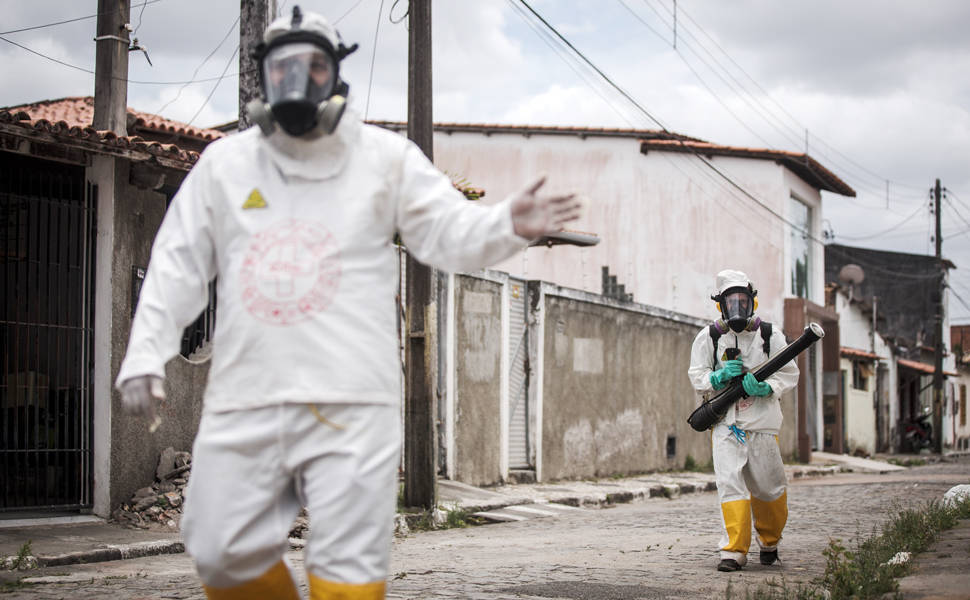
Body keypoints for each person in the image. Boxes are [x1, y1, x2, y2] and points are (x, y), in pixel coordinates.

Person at [115, 6, 580, 599]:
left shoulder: (383, 159)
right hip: (247, 396)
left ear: (336, 78)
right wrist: (144, 356)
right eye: (281, 69)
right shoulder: (224, 166)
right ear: (262, 78)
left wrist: (505, 225)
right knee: (217, 542)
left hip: (352, 403)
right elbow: (175, 265)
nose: (296, 82)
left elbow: (446, 232)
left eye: (312, 67)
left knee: (347, 569)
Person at [687, 269, 799, 572]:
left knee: (769, 487)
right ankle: (734, 550)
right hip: (726, 423)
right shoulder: (709, 337)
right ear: (720, 305)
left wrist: (767, 387)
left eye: (743, 300)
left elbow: (789, 374)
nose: (738, 307)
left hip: (762, 423)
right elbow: (696, 375)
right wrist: (718, 377)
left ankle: (770, 541)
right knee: (729, 483)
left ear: (753, 302)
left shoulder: (770, 336)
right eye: (731, 301)